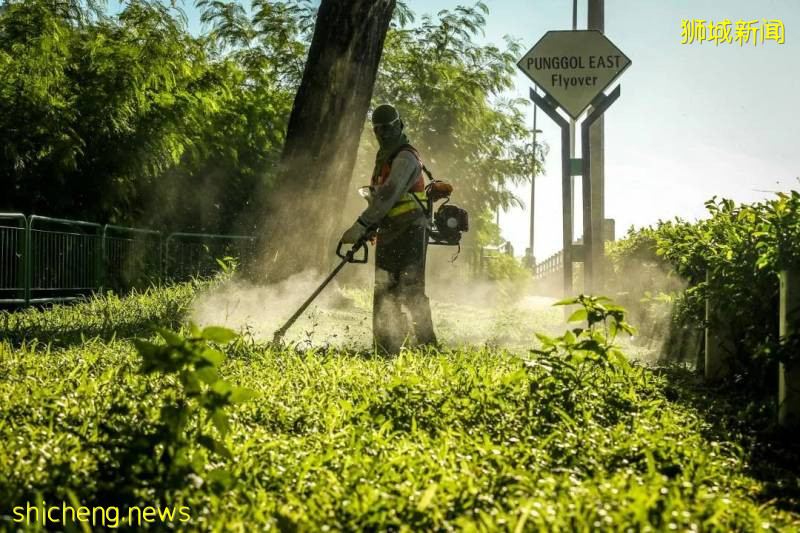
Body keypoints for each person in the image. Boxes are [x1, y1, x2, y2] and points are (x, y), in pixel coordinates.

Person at [339, 104, 437, 354]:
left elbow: (389, 196)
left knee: (411, 289)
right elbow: (379, 199)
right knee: (384, 290)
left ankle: (427, 346)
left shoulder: (405, 157)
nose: (383, 133)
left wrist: (361, 225)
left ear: (399, 125)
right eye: (378, 129)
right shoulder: (385, 157)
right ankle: (386, 345)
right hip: (390, 231)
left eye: (388, 127)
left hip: (411, 231)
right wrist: (372, 227)